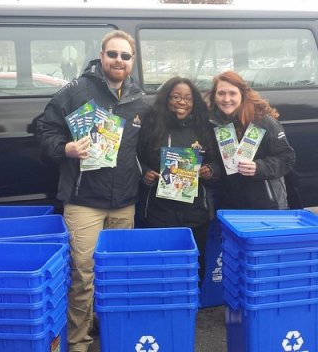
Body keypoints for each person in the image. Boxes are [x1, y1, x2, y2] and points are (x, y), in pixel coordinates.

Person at [35, 30, 148, 352]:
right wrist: (65, 148)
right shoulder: (76, 90)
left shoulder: (138, 99)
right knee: (83, 276)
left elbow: (152, 145)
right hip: (85, 201)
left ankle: (114, 337)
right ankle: (79, 343)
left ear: (132, 61)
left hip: (124, 201)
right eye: (113, 54)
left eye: (125, 56)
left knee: (115, 275)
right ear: (102, 56)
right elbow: (45, 129)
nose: (119, 61)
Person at [137, 77, 220, 282]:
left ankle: (191, 306)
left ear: (195, 102)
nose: (182, 102)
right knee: (161, 264)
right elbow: (136, 157)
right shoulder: (151, 125)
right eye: (175, 97)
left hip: (195, 212)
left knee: (193, 264)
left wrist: (210, 170)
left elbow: (219, 163)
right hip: (158, 211)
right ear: (166, 99)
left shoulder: (205, 128)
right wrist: (145, 174)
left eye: (187, 98)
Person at [206, 71, 296, 210]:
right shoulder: (214, 123)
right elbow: (218, 163)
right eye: (221, 93)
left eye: (232, 93)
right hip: (231, 204)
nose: (226, 99)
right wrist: (211, 170)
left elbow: (286, 158)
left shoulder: (262, 121)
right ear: (214, 95)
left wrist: (259, 167)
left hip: (266, 204)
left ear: (242, 94)